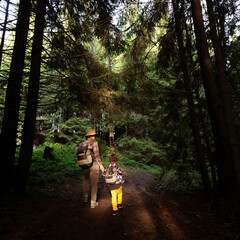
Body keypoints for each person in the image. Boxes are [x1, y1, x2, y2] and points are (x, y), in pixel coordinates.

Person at [78, 129, 104, 208]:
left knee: (85, 180)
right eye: (94, 135)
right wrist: (101, 165)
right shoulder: (94, 143)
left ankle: (85, 198)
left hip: (84, 164)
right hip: (93, 164)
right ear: (91, 136)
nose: (94, 137)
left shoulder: (82, 144)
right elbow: (96, 156)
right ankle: (93, 202)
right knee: (94, 183)